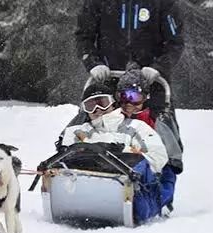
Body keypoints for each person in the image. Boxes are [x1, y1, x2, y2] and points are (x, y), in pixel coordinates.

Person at [75, 0, 185, 114]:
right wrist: (94, 64)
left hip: (150, 85)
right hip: (109, 81)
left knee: (160, 132)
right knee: (95, 130)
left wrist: (158, 68)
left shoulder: (163, 0)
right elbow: (83, 37)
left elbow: (175, 43)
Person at [59, 82, 168, 223]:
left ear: (112, 103)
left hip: (130, 191)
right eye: (91, 106)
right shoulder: (76, 131)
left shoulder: (136, 127)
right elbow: (65, 161)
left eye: (103, 103)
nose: (98, 109)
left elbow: (158, 157)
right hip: (82, 191)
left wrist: (124, 152)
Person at [116, 68, 182, 212]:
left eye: (134, 98)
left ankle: (152, 204)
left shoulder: (155, 120)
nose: (129, 103)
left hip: (150, 172)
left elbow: (170, 160)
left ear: (145, 98)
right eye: (124, 97)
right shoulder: (112, 116)